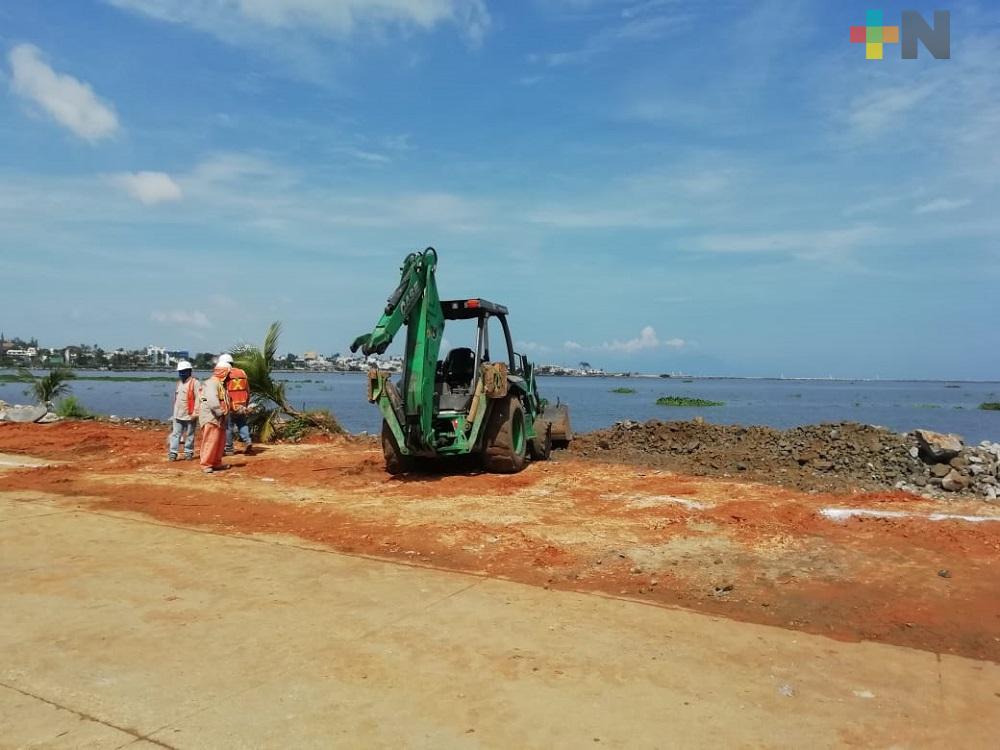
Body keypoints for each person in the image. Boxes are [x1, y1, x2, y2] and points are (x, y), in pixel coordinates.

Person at [198, 361, 231, 474]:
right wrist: (219, 411)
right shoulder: (212, 383)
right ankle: (206, 464)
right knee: (210, 441)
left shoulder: (219, 384)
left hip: (219, 417)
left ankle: (216, 462)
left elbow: (203, 398)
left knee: (219, 442)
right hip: (212, 417)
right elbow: (211, 400)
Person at [218, 353, 253, 456]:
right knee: (242, 423)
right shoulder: (242, 372)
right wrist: (246, 403)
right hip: (242, 403)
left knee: (228, 427)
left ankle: (229, 448)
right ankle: (247, 440)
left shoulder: (225, 373)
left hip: (231, 404)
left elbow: (221, 390)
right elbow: (248, 389)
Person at [168, 360, 199, 461]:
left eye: (183, 371)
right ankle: (173, 453)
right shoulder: (179, 383)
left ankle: (188, 452)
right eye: (180, 372)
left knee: (190, 434)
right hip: (178, 414)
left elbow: (200, 398)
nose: (181, 374)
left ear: (189, 371)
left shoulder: (195, 383)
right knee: (175, 434)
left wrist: (196, 412)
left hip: (190, 414)